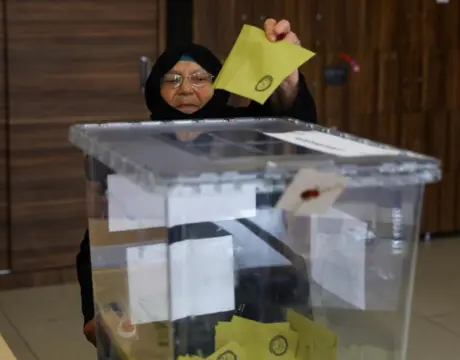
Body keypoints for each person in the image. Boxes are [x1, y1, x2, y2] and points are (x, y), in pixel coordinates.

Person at [77, 18, 317, 347]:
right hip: (167, 301)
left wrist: (289, 84)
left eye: (200, 78)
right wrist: (94, 311)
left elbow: (297, 135)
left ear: (219, 85)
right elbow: (101, 239)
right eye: (172, 79)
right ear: (153, 89)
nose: (186, 89)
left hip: (255, 294)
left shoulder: (246, 132)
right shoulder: (127, 149)